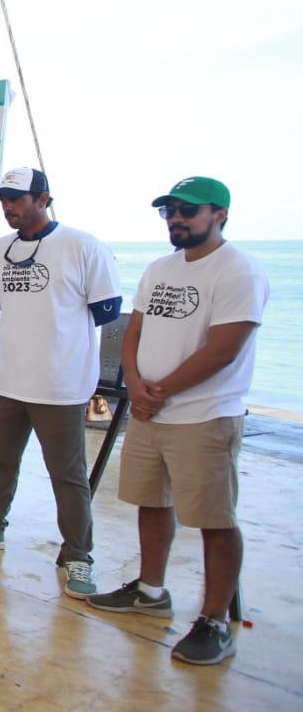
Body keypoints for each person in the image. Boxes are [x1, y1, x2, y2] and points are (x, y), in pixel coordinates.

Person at [87, 177, 269, 665]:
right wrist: (133, 380)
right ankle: (150, 590)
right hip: (149, 411)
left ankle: (212, 620)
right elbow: (134, 329)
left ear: (220, 214)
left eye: (188, 210)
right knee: (150, 501)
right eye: (169, 210)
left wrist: (158, 391)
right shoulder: (160, 267)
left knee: (213, 518)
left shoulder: (238, 272)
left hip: (204, 417)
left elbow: (224, 349)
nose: (176, 218)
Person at [0, 168, 121, 601]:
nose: (8, 207)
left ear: (44, 199)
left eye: (17, 198)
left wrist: (58, 343)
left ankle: (78, 554)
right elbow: (6, 302)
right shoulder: (0, 249)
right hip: (7, 380)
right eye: (3, 199)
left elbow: (107, 309)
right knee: (2, 462)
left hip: (60, 386)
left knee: (67, 475)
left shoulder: (80, 245)